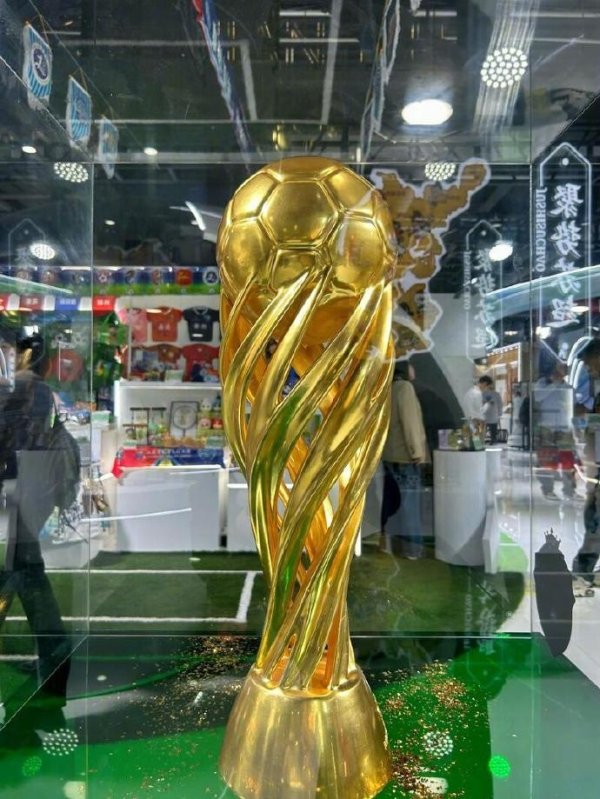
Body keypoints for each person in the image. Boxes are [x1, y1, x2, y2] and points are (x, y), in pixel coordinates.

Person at [0, 335, 71, 701]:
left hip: (21, 487)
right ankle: (54, 653)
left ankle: (55, 653)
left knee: (24, 574)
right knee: (26, 572)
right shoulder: (40, 390)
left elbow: (7, 438)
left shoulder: (22, 387)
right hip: (33, 487)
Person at [381, 360, 428, 559]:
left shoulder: (387, 388)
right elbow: (410, 423)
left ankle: (387, 544)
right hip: (406, 457)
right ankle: (412, 549)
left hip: (389, 456)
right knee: (410, 506)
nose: (414, 369)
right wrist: (417, 451)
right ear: (405, 368)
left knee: (391, 504)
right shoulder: (405, 388)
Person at [571, 339, 600, 589]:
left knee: (595, 517)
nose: (589, 370)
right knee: (592, 513)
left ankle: (584, 567)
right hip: (596, 463)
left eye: (590, 364)